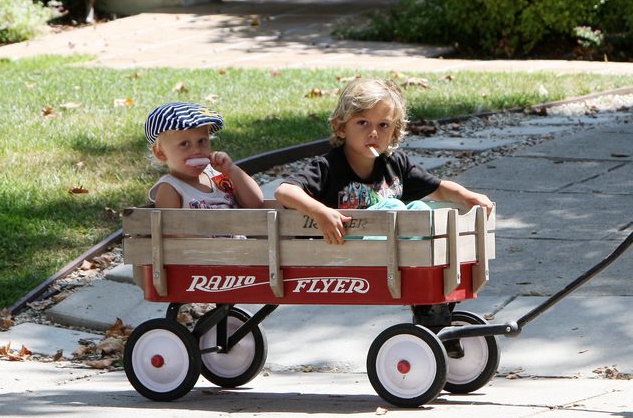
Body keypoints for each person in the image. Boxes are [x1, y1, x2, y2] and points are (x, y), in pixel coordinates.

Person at [274, 78, 494, 358]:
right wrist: (320, 211)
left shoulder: (395, 164)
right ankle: (430, 310)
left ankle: (434, 311)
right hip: (349, 255)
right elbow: (285, 191)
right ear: (341, 127)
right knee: (392, 207)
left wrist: (466, 196)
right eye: (362, 123)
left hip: (397, 255)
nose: (373, 133)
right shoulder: (328, 167)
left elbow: (436, 188)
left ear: (395, 132)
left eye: (383, 125)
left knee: (421, 213)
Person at [145, 102, 263, 209]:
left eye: (202, 141)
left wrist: (232, 170)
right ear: (160, 153)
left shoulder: (219, 176)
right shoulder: (170, 188)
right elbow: (170, 231)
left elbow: (256, 203)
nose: (197, 150)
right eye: (185, 144)